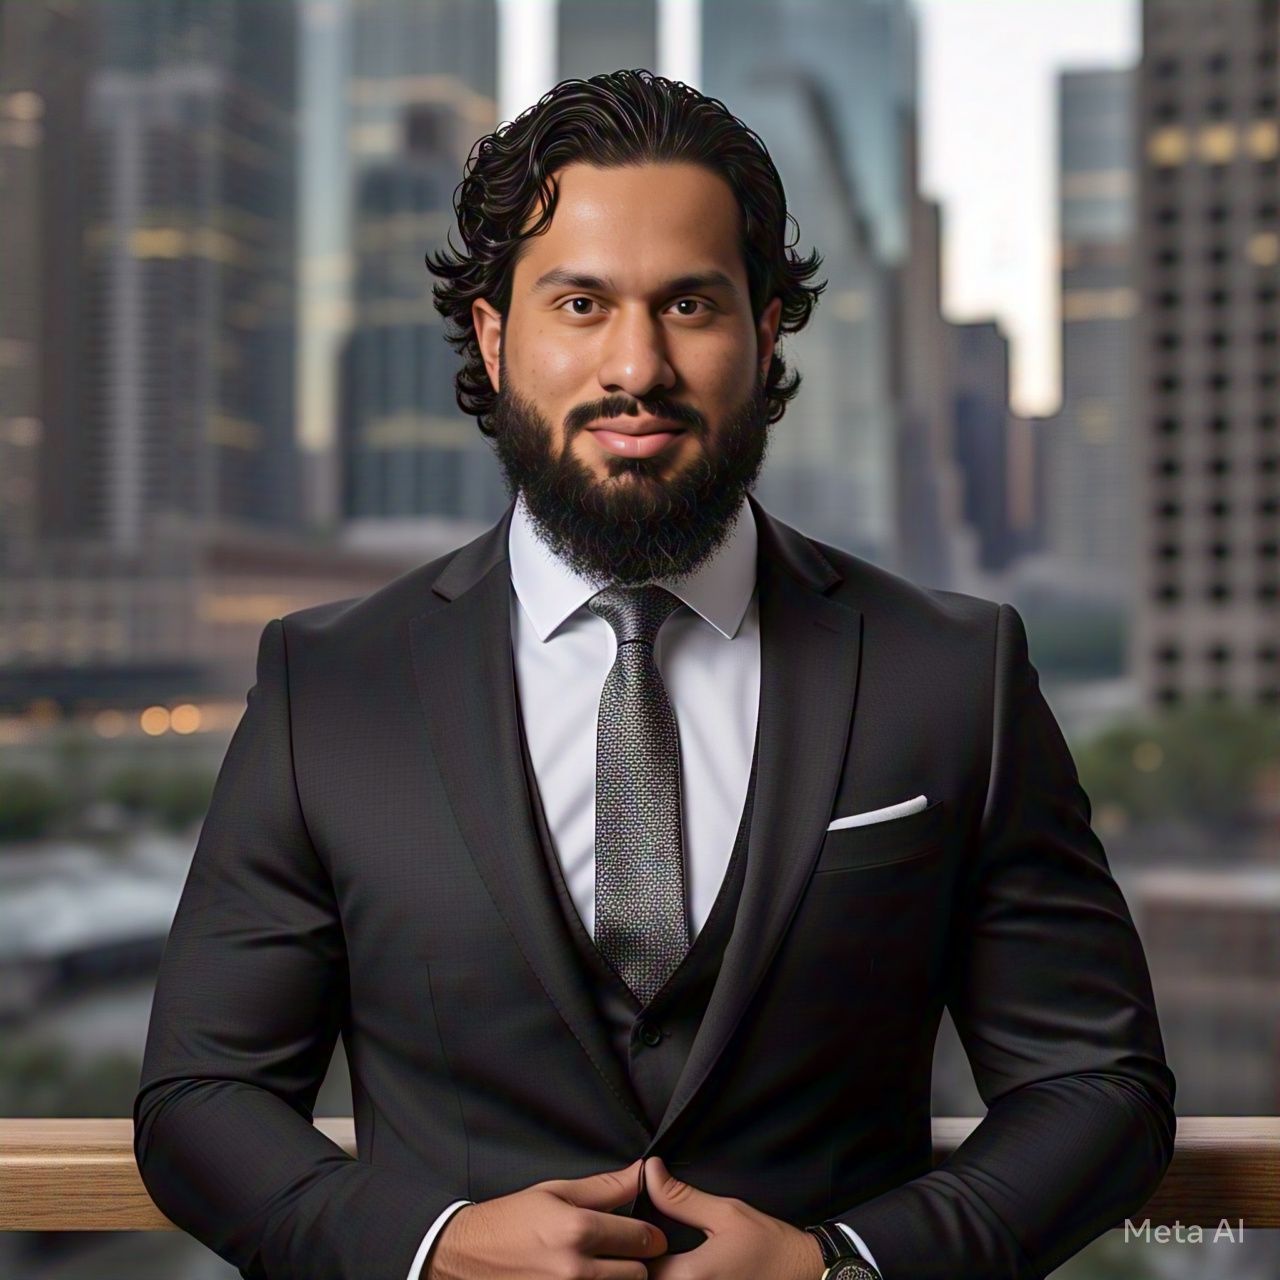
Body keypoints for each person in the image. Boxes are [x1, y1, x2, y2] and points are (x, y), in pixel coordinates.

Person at [134, 69, 1176, 1280]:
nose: (636, 364)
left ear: (766, 326)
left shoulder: (952, 671)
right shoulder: (329, 684)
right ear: (492, 331)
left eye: (688, 302)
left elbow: (1095, 1085)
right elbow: (202, 1095)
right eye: (579, 302)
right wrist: (428, 1248)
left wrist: (845, 1265)